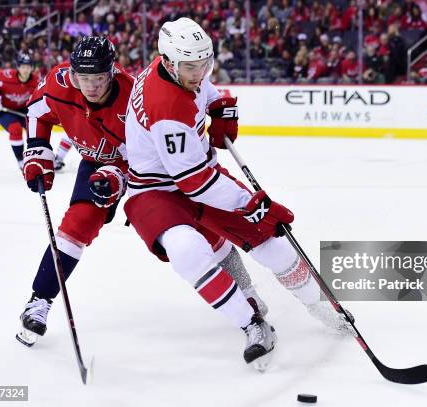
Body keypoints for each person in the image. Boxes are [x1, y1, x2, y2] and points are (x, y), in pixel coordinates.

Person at [124, 18, 351, 369]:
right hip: (155, 189)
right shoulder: (167, 107)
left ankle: (321, 305)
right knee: (189, 251)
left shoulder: (176, 65)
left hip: (197, 172)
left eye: (205, 63)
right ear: (168, 62)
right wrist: (252, 205)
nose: (200, 72)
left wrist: (218, 105)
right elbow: (194, 183)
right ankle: (251, 322)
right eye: (191, 67)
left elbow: (205, 90)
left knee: (273, 246)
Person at [15, 36, 270, 349]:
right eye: (84, 79)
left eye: (98, 79)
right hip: (94, 161)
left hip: (147, 169)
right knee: (76, 226)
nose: (91, 87)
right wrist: (38, 150)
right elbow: (37, 110)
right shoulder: (59, 83)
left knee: (203, 226)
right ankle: (39, 300)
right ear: (72, 74)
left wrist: (117, 176)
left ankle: (247, 291)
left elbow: (146, 155)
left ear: (112, 72)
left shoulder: (133, 95)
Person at [0, 53, 40, 170]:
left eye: (28, 66)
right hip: (3, 110)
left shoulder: (36, 81)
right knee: (15, 129)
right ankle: (21, 161)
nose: (25, 70)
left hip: (22, 110)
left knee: (36, 130)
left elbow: (44, 95)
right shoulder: (6, 76)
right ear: (17, 67)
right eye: (23, 66)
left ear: (32, 68)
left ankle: (37, 157)